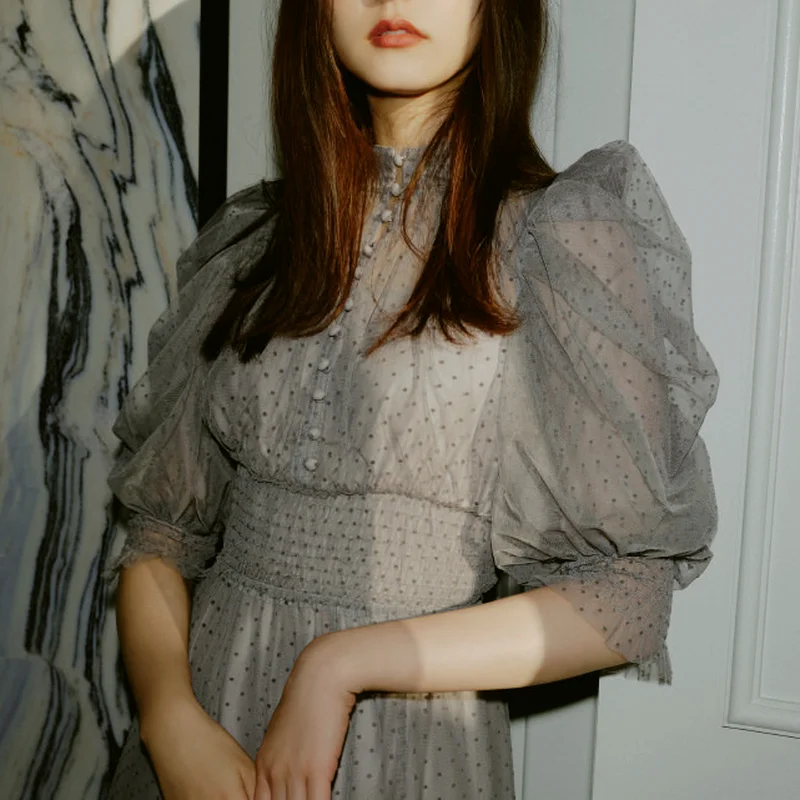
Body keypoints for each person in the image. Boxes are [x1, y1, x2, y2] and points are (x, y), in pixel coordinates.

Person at [102, 1, 720, 798]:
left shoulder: (557, 237)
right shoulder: (257, 238)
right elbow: (160, 533)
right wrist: (169, 717)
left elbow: (625, 604)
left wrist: (339, 664)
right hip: (204, 733)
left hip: (408, 745)